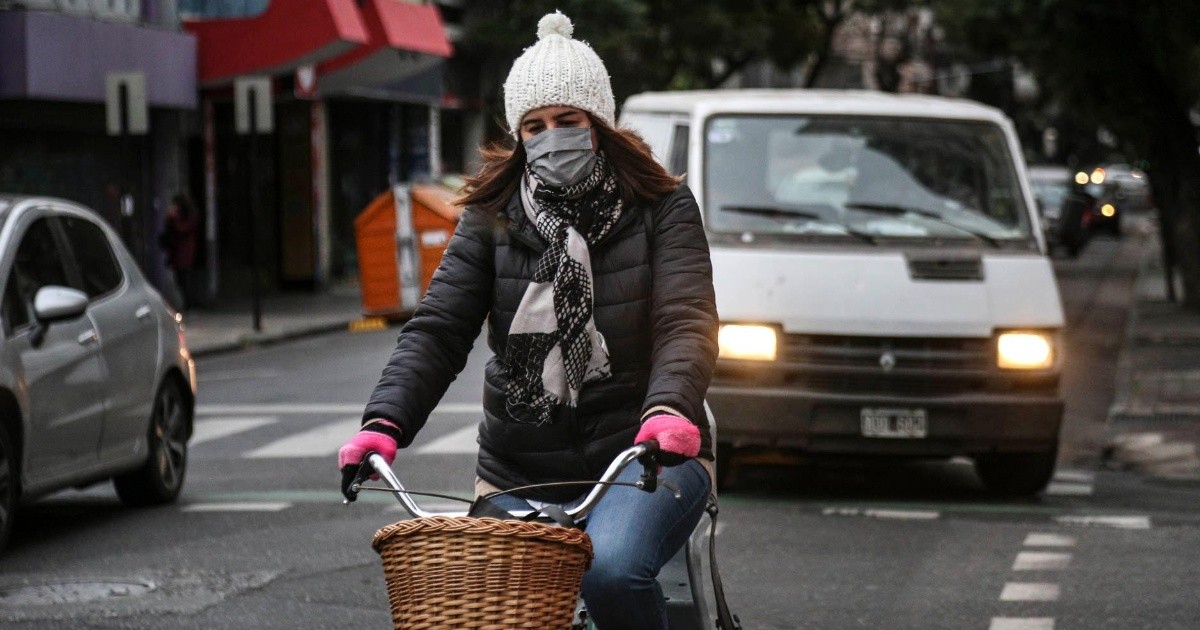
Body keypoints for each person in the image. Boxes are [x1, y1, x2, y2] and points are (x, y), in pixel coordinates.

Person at [337, 12, 718, 629]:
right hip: (517, 470)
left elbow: (686, 318)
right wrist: (384, 422)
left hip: (642, 461)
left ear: (599, 125)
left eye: (568, 121)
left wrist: (669, 409)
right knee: (484, 599)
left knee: (612, 570)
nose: (551, 137)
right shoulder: (489, 216)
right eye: (534, 126)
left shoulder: (663, 207)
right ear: (518, 135)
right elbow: (439, 328)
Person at [160, 194, 199, 311]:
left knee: (184, 279)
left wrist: (174, 218)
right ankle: (187, 304)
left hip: (184, 252)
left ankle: (189, 304)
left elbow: (182, 229)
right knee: (179, 279)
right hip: (177, 252)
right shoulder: (176, 218)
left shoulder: (188, 217)